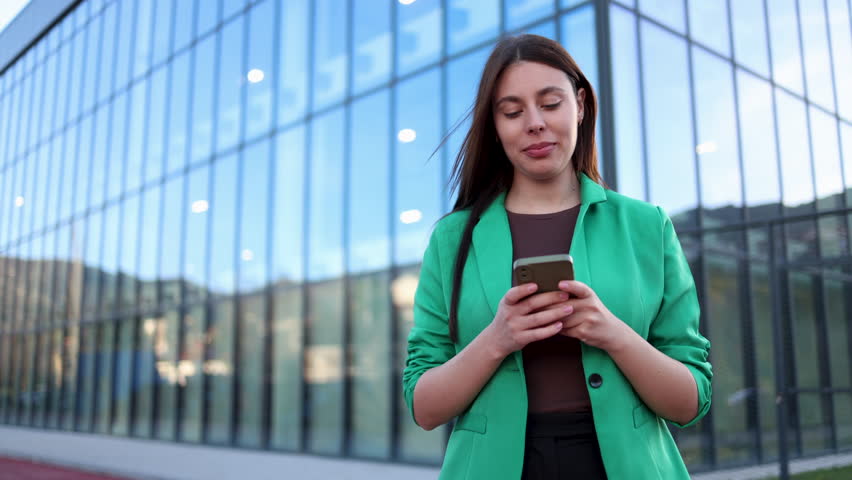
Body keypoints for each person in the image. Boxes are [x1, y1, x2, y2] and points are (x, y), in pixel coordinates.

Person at [401, 34, 712, 479]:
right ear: (495, 124)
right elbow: (424, 407)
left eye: (550, 103)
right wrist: (497, 339)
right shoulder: (452, 240)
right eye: (512, 111)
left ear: (580, 105)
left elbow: (691, 401)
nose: (534, 123)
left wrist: (611, 333)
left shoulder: (647, 226)